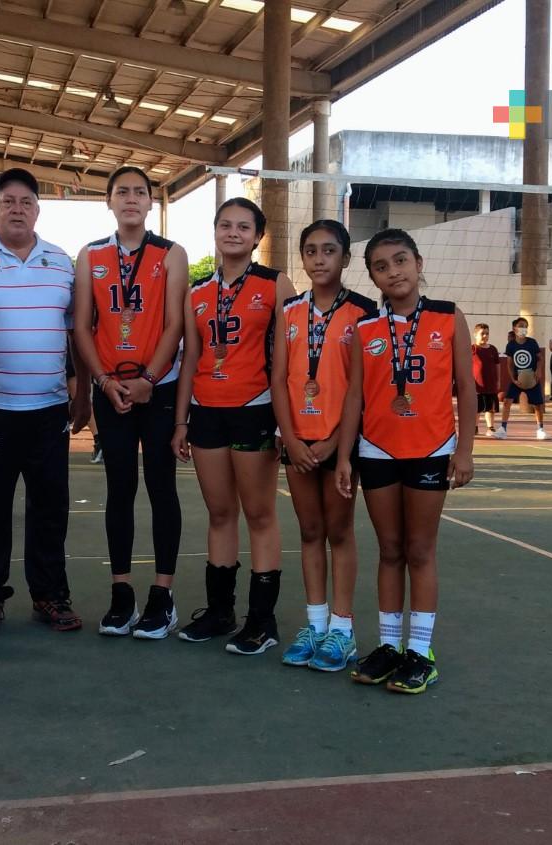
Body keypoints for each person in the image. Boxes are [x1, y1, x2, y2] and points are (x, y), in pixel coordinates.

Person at [0, 168, 92, 634]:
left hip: (49, 409)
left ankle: (50, 595)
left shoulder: (61, 261)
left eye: (26, 202)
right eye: (7, 201)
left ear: (38, 210)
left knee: (50, 507)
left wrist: (82, 394)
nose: (17, 209)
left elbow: (76, 333)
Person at [334, 228, 475, 695]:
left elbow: (466, 387)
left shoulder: (448, 316)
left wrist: (465, 449)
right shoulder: (365, 329)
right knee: (389, 549)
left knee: (420, 550)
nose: (393, 271)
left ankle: (420, 652)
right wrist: (344, 455)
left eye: (400, 261)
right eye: (381, 266)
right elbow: (354, 397)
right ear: (373, 277)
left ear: (418, 263)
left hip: (431, 448)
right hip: (377, 449)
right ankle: (390, 646)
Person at [171, 198, 295, 655]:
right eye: (225, 225)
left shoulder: (276, 284)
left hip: (254, 408)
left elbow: (291, 356)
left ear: (258, 236)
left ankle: (262, 621)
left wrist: (285, 422)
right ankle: (220, 611)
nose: (233, 233)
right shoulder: (198, 291)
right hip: (206, 410)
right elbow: (190, 358)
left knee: (259, 514)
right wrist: (181, 420)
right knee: (220, 513)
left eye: (244, 227)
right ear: (215, 231)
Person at [74, 166, 188, 639]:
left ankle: (163, 596)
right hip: (112, 390)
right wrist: (103, 381)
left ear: (150, 202)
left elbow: (175, 324)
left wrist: (149, 379)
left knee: (162, 487)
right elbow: (82, 325)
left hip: (156, 387)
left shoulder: (171, 253)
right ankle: (121, 592)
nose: (131, 199)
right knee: (119, 488)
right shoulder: (91, 255)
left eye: (140, 192)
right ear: (109, 201)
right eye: (122, 192)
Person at [271, 220, 374, 672]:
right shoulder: (290, 311)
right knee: (309, 531)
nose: (319, 259)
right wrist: (290, 439)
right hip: (298, 440)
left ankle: (342, 629)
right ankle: (315, 624)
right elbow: (278, 379)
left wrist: (338, 444)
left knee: (339, 532)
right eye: (310, 251)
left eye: (329, 250)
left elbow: (364, 387)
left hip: (340, 441)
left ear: (346, 258)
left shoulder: (365, 312)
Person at [493, 316, 547, 440]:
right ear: (514, 328)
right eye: (521, 326)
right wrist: (513, 379)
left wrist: (538, 371)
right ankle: (503, 429)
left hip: (532, 379)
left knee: (538, 405)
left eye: (525, 326)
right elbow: (509, 364)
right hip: (517, 380)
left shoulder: (532, 342)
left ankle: (540, 429)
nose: (523, 329)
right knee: (507, 402)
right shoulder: (511, 345)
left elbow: (540, 358)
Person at [471, 324, 499, 435]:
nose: (485, 336)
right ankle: (474, 427)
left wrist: (498, 380)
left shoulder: (493, 349)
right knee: (476, 408)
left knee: (491, 408)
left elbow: (497, 365)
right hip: (477, 385)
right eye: (482, 333)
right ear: (475, 335)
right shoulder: (472, 349)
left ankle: (490, 428)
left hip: (490, 384)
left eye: (487, 333)